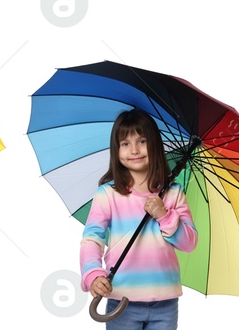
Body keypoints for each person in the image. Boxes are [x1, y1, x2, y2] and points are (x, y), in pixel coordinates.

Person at [80, 109, 198, 330]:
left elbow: (189, 243)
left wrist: (165, 216)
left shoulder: (173, 193)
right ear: (116, 150)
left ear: (155, 145)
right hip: (121, 300)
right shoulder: (108, 194)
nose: (134, 150)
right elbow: (92, 238)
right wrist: (93, 274)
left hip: (165, 302)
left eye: (142, 141)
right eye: (125, 143)